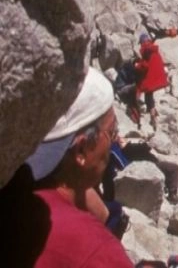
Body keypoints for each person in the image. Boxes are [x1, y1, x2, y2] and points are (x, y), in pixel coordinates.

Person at [14, 67, 134, 267]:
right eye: (112, 131)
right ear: (82, 150)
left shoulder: (12, 187)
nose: (113, 141)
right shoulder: (95, 249)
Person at [135, 33, 169, 129]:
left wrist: (137, 66)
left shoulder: (145, 50)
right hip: (159, 77)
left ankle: (152, 114)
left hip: (151, 78)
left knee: (147, 94)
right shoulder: (154, 49)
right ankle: (153, 113)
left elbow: (145, 66)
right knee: (149, 94)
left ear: (142, 42)